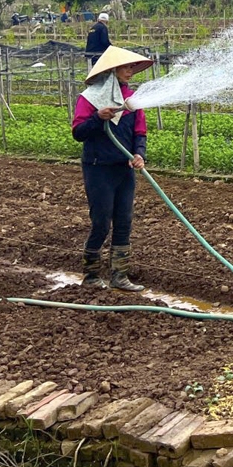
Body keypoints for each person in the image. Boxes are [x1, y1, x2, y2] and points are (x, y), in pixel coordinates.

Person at [71, 45, 153, 290]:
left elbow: (140, 132)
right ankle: (92, 275)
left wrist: (139, 154)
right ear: (112, 70)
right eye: (126, 67)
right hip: (98, 168)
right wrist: (98, 117)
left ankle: (119, 276)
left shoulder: (132, 99)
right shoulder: (90, 98)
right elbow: (78, 133)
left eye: (131, 67)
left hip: (123, 168)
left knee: (124, 220)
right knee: (101, 222)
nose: (131, 71)